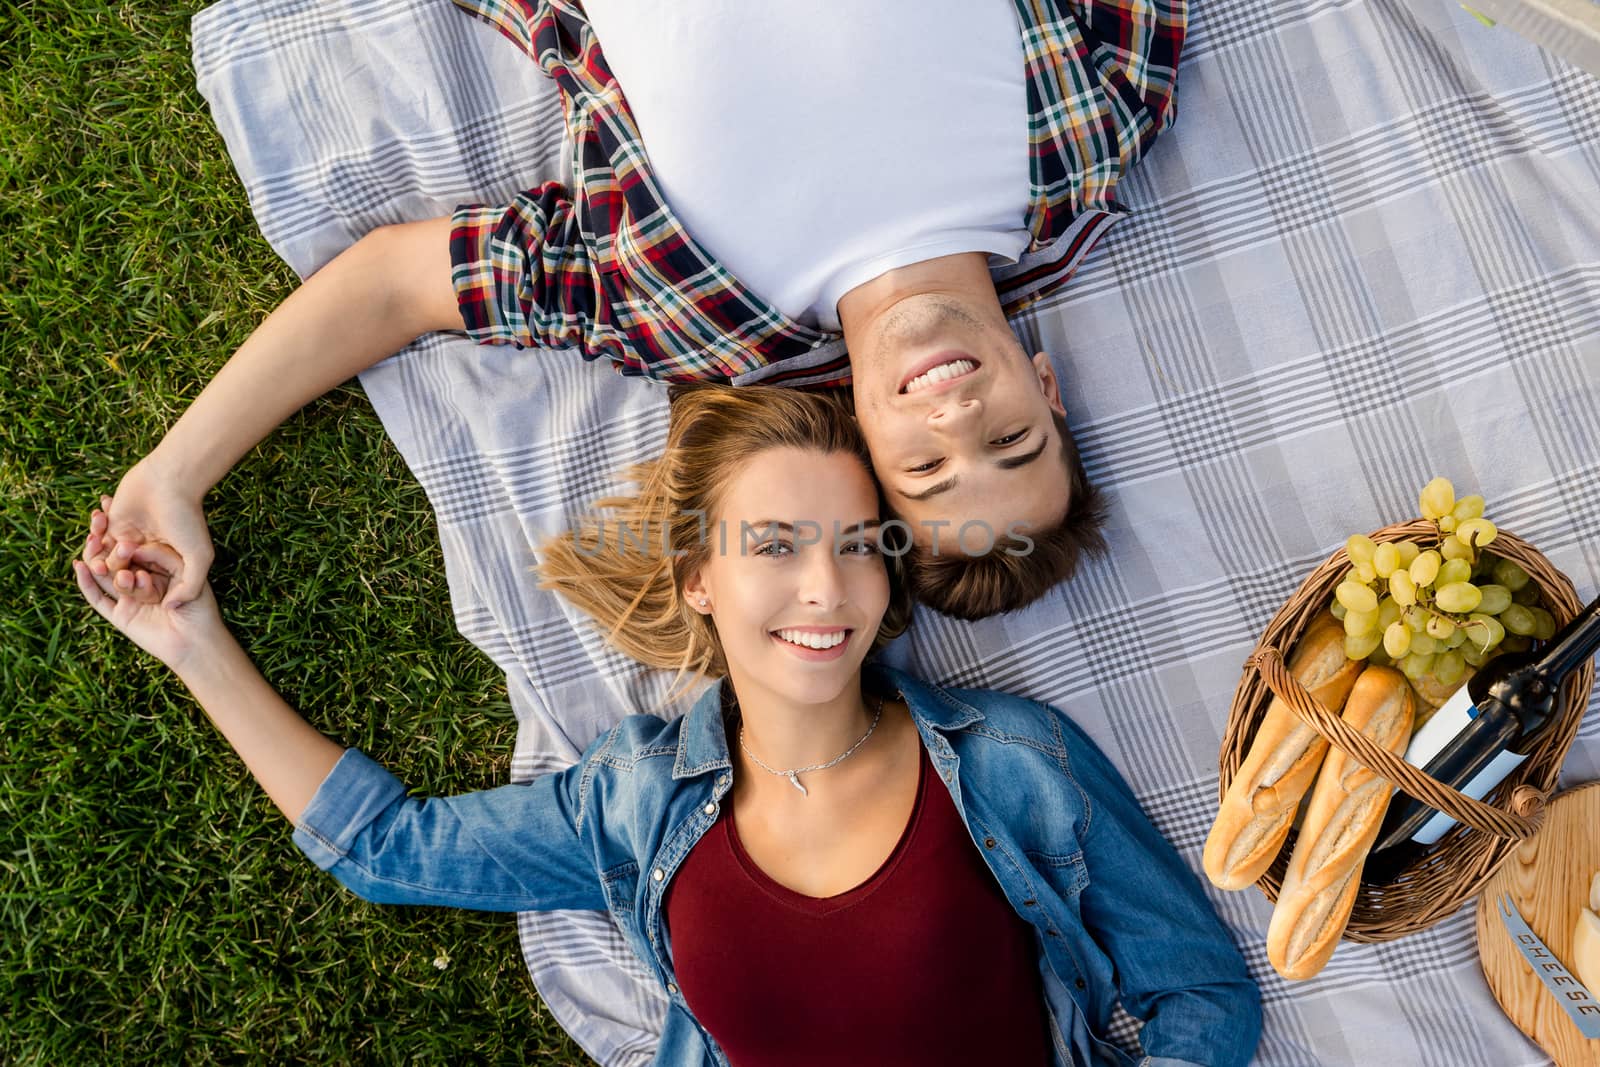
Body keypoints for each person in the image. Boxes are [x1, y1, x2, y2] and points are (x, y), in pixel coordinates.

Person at [76, 387, 1260, 1067]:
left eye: (857, 546)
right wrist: (193, 644)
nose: (824, 587)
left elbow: (1204, 997)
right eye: (776, 544)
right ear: (699, 576)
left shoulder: (1010, 765)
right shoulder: (633, 805)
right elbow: (392, 849)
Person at [95, 0, 1183, 619]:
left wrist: (174, 475)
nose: (955, 420)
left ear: (864, 447)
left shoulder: (685, 311)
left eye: (929, 469)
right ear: (1043, 385)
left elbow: (394, 284)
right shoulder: (1092, 133)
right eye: (1009, 439)